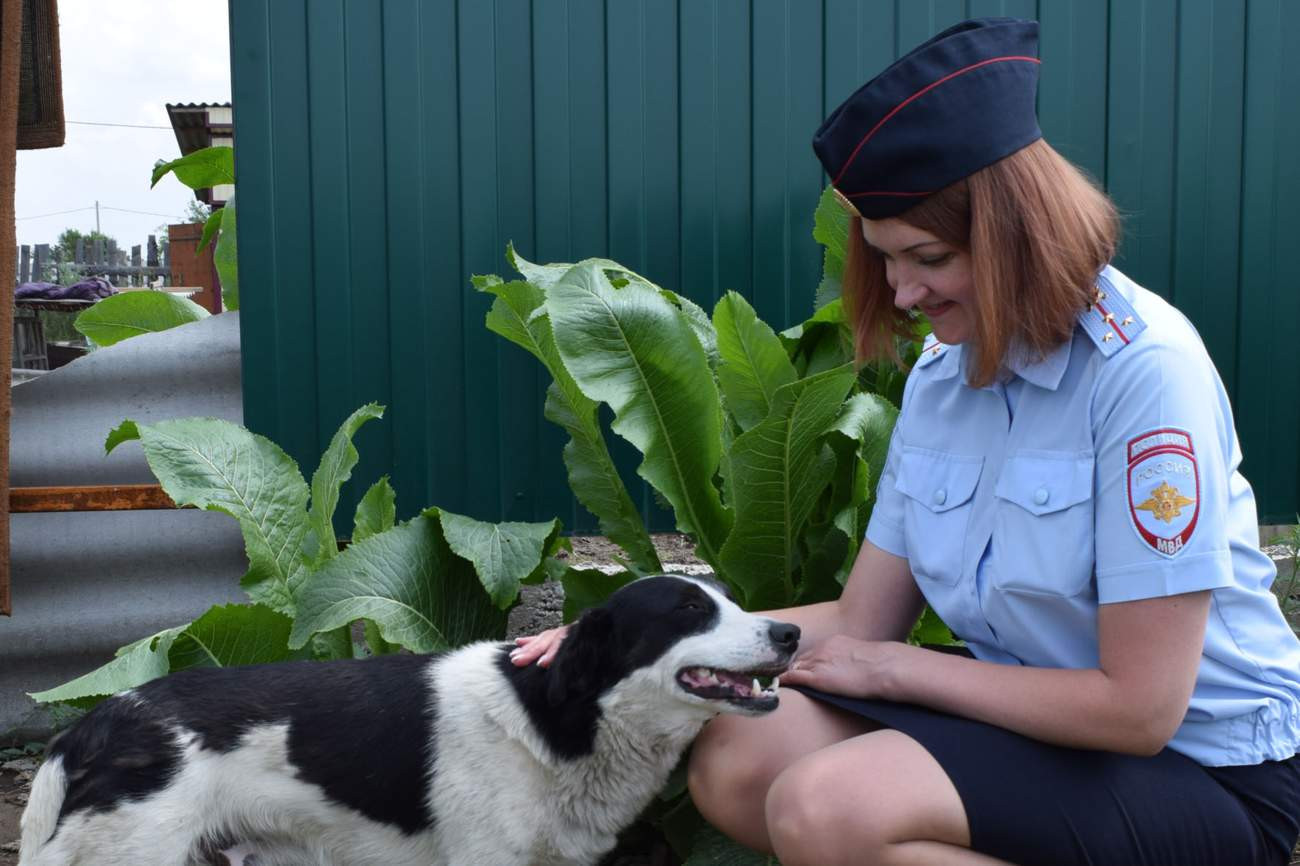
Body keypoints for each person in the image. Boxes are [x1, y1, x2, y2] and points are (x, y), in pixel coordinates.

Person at [513, 17, 1300, 866]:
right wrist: (618, 637)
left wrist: (895, 670)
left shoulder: (1144, 372)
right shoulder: (945, 373)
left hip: (1204, 769)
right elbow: (861, 619)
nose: (902, 291)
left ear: (1015, 237)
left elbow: (1139, 710)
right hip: (1034, 731)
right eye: (886, 258)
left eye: (927, 256)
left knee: (828, 806)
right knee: (740, 757)